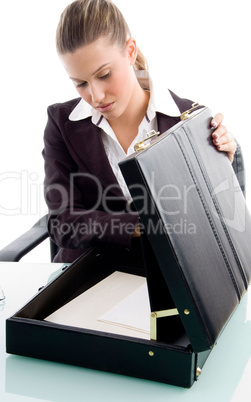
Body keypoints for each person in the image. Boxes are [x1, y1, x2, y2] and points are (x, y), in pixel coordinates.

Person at [43, 0, 241, 263]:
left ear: (130, 51)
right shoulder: (62, 122)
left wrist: (219, 170)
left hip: (171, 273)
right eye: (80, 83)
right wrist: (142, 225)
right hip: (87, 272)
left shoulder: (190, 121)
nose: (96, 96)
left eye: (104, 75)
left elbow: (220, 227)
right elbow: (62, 223)